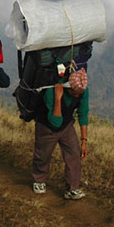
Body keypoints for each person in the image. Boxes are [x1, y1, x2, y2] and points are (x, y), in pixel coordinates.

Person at [32, 67, 89, 200]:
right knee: (43, 154)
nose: (76, 96)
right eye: (74, 93)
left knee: (74, 154)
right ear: (67, 86)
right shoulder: (52, 92)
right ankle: (39, 180)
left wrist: (84, 141)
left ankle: (72, 188)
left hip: (67, 125)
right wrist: (58, 99)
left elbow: (83, 113)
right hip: (46, 126)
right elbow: (55, 122)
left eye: (79, 94)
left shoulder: (81, 89)